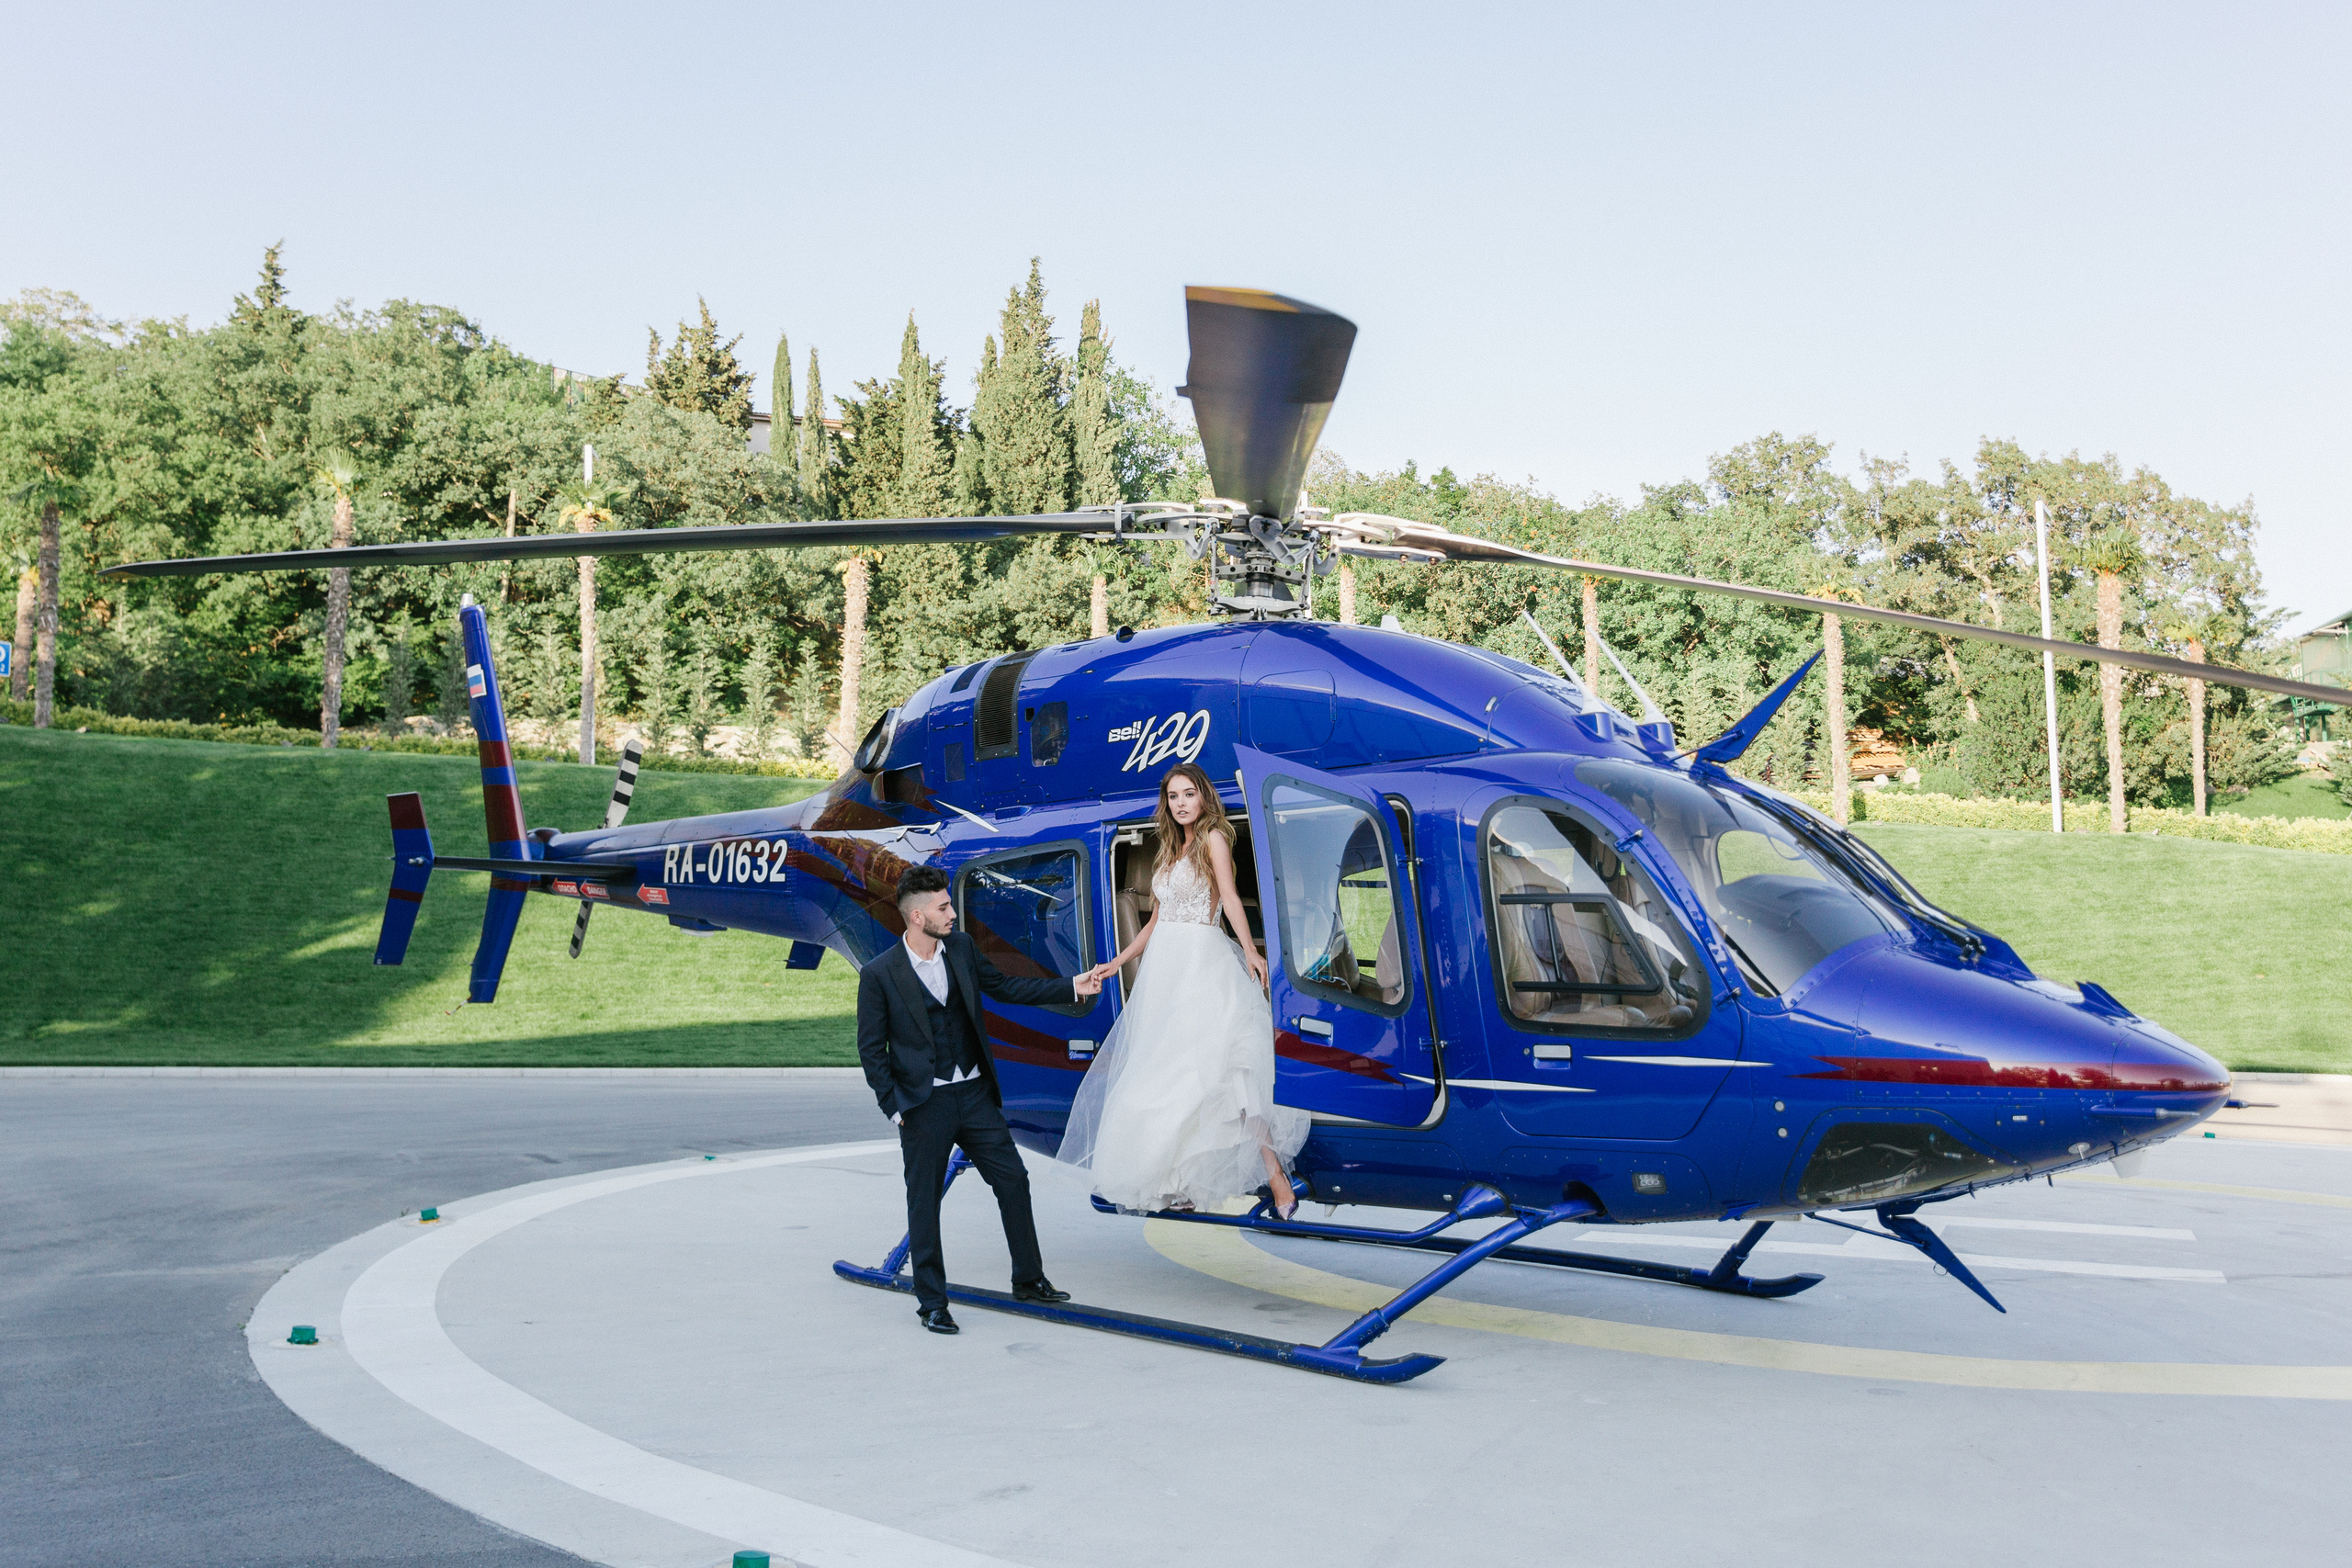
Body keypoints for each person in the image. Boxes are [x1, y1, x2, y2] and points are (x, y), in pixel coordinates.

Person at [856, 864, 1104, 1336]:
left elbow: (1008, 988)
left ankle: (1029, 1279)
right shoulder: (880, 975)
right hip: (923, 1105)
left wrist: (1073, 985)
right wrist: (896, 1107)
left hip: (973, 1094)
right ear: (916, 917)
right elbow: (872, 1050)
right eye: (943, 907)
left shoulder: (963, 949)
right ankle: (932, 1302)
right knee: (924, 1202)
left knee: (1013, 1180)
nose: (953, 912)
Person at [1057, 761, 1310, 1218]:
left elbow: (1230, 897)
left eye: (1188, 794)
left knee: (1227, 1072)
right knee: (1174, 1078)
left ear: (1203, 796)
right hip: (1165, 971)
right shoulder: (1169, 850)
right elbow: (1156, 920)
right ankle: (1183, 1179)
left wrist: (1250, 949)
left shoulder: (1214, 837)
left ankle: (1277, 1178)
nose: (1181, 803)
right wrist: (1118, 961)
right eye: (1173, 796)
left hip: (1202, 961)